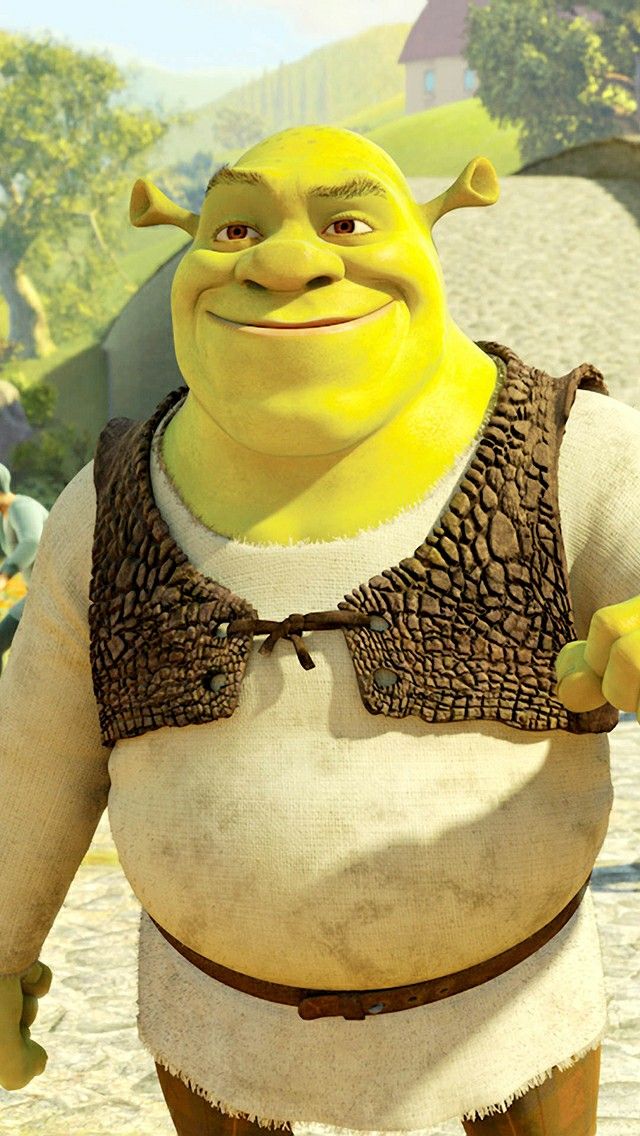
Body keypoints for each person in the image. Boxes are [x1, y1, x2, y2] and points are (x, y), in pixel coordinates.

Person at [0, 126, 639, 1136]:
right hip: (217, 1027)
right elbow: (37, 743)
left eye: (345, 224)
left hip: (509, 1016)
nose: (285, 263)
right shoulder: (109, 499)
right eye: (235, 228)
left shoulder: (562, 448)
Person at [0, 463, 48, 670]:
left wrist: (4, 576)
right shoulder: (6, 515)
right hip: (37, 594)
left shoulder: (21, 507)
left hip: (51, 593)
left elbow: (32, 542)